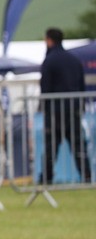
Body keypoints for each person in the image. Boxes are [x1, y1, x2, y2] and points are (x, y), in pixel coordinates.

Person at [40, 28, 92, 184]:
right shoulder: (74, 60)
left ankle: (47, 179)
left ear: (49, 40)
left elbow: (45, 88)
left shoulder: (49, 61)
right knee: (78, 146)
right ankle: (87, 176)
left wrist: (45, 108)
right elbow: (82, 86)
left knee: (51, 147)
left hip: (55, 111)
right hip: (74, 109)